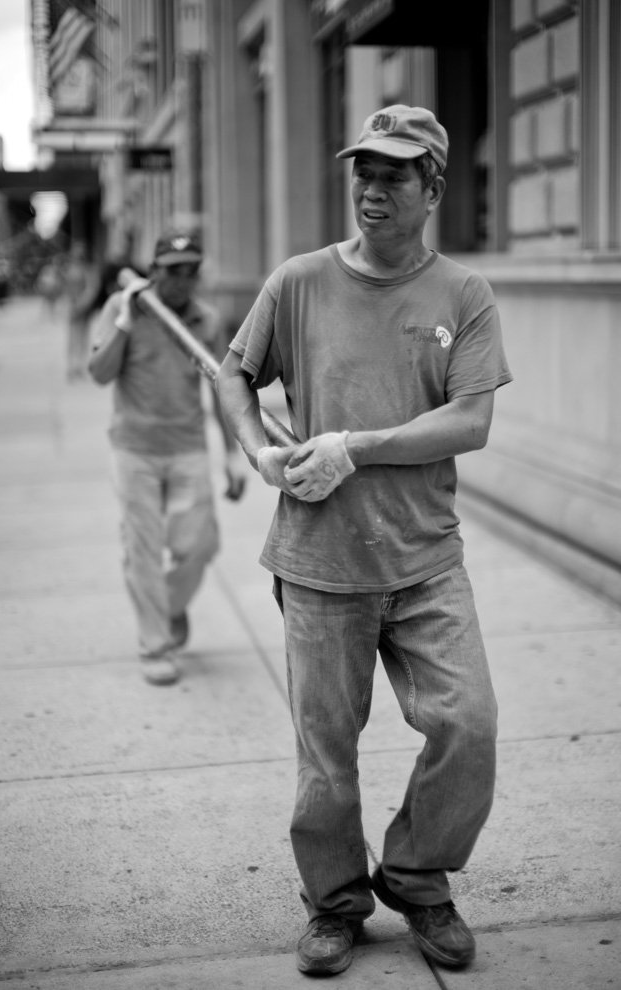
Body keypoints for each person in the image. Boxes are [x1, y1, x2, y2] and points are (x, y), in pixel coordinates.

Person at [216, 105, 513, 976]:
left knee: (470, 724)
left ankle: (418, 877)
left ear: (433, 187)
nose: (371, 188)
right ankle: (336, 904)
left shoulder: (465, 295)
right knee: (326, 757)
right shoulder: (299, 280)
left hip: (424, 562)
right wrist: (260, 450)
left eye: (393, 174)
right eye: (363, 171)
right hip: (320, 566)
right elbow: (237, 375)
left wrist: (359, 447)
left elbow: (471, 421)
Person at [89, 230, 246, 686]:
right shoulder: (123, 308)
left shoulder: (207, 319)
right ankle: (155, 644)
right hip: (134, 449)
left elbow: (223, 388)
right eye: (173, 270)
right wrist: (123, 316)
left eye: (191, 270)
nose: (182, 280)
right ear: (154, 271)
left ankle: (169, 606)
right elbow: (99, 374)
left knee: (198, 546)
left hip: (187, 447)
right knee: (142, 551)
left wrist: (233, 458)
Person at [64, 242, 99, 380]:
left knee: (82, 338)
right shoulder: (70, 270)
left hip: (82, 309)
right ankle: (72, 366)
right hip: (74, 309)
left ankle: (79, 366)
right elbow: (66, 290)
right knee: (73, 339)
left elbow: (91, 289)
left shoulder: (87, 270)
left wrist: (81, 304)